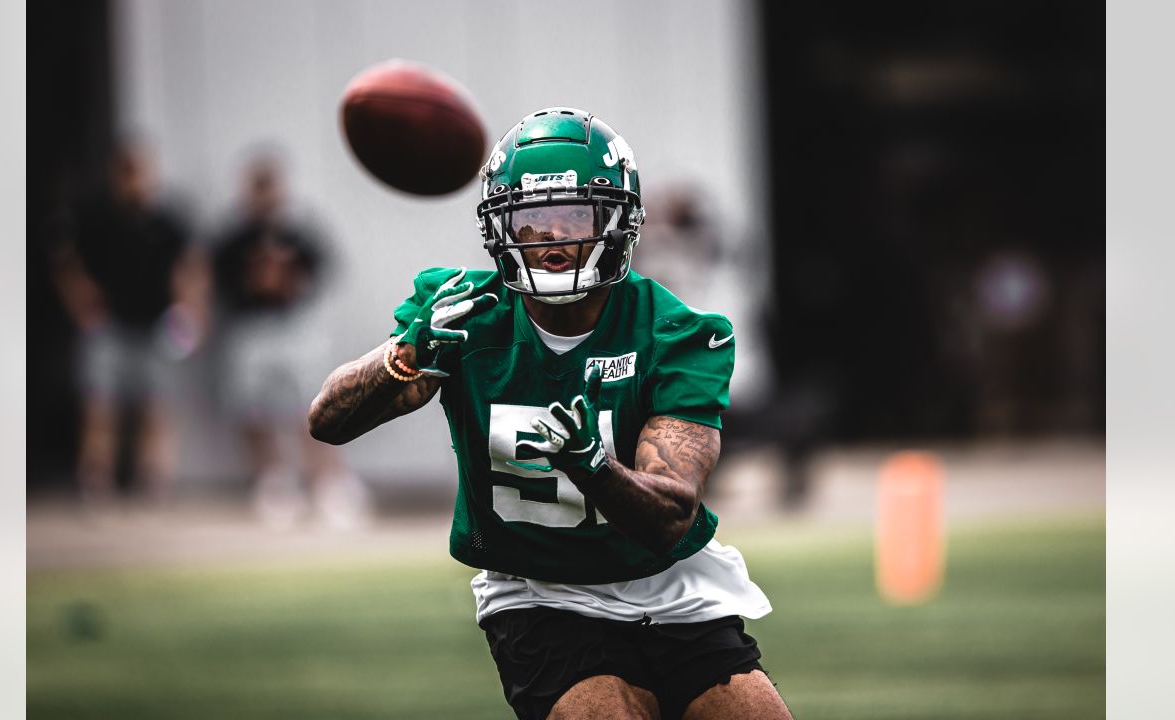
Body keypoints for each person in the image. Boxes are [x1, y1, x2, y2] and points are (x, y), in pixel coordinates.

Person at [308, 108, 794, 719]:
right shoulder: (462, 313)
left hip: (667, 584)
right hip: (538, 593)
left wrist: (593, 465)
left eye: (573, 218)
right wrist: (404, 356)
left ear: (619, 222)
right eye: (530, 221)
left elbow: (671, 512)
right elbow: (326, 420)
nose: (551, 240)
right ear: (499, 226)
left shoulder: (674, 333)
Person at [211, 150, 367, 529]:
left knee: (312, 407)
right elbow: (215, 279)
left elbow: (325, 268)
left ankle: (329, 484)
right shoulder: (233, 237)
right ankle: (274, 482)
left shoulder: (298, 232)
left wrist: (289, 281)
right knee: (254, 409)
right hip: (249, 327)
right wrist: (251, 284)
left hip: (294, 325)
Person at [54, 141, 207, 513]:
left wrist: (191, 315)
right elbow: (66, 262)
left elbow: (191, 269)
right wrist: (81, 303)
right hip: (109, 326)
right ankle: (96, 482)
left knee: (158, 407)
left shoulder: (168, 220)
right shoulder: (93, 216)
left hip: (157, 327)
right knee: (100, 405)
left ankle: (153, 485)